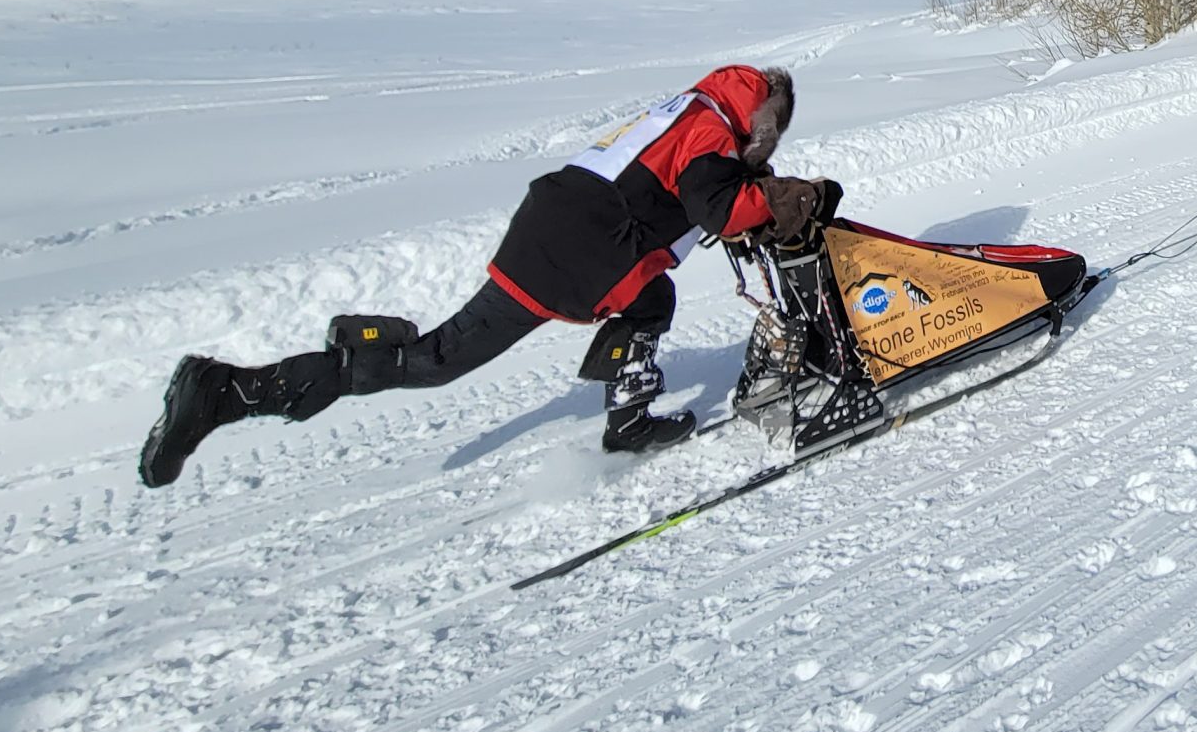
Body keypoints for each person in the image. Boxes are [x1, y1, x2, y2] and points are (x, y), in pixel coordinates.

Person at [138, 64, 841, 486]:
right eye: (772, 128)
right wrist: (794, 199)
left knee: (652, 296)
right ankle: (229, 390)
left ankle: (628, 418)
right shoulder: (714, 129)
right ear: (760, 113)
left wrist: (764, 191)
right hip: (574, 250)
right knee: (439, 361)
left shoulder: (695, 109)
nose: (769, 140)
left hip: (564, 223)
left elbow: (700, 188)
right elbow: (715, 203)